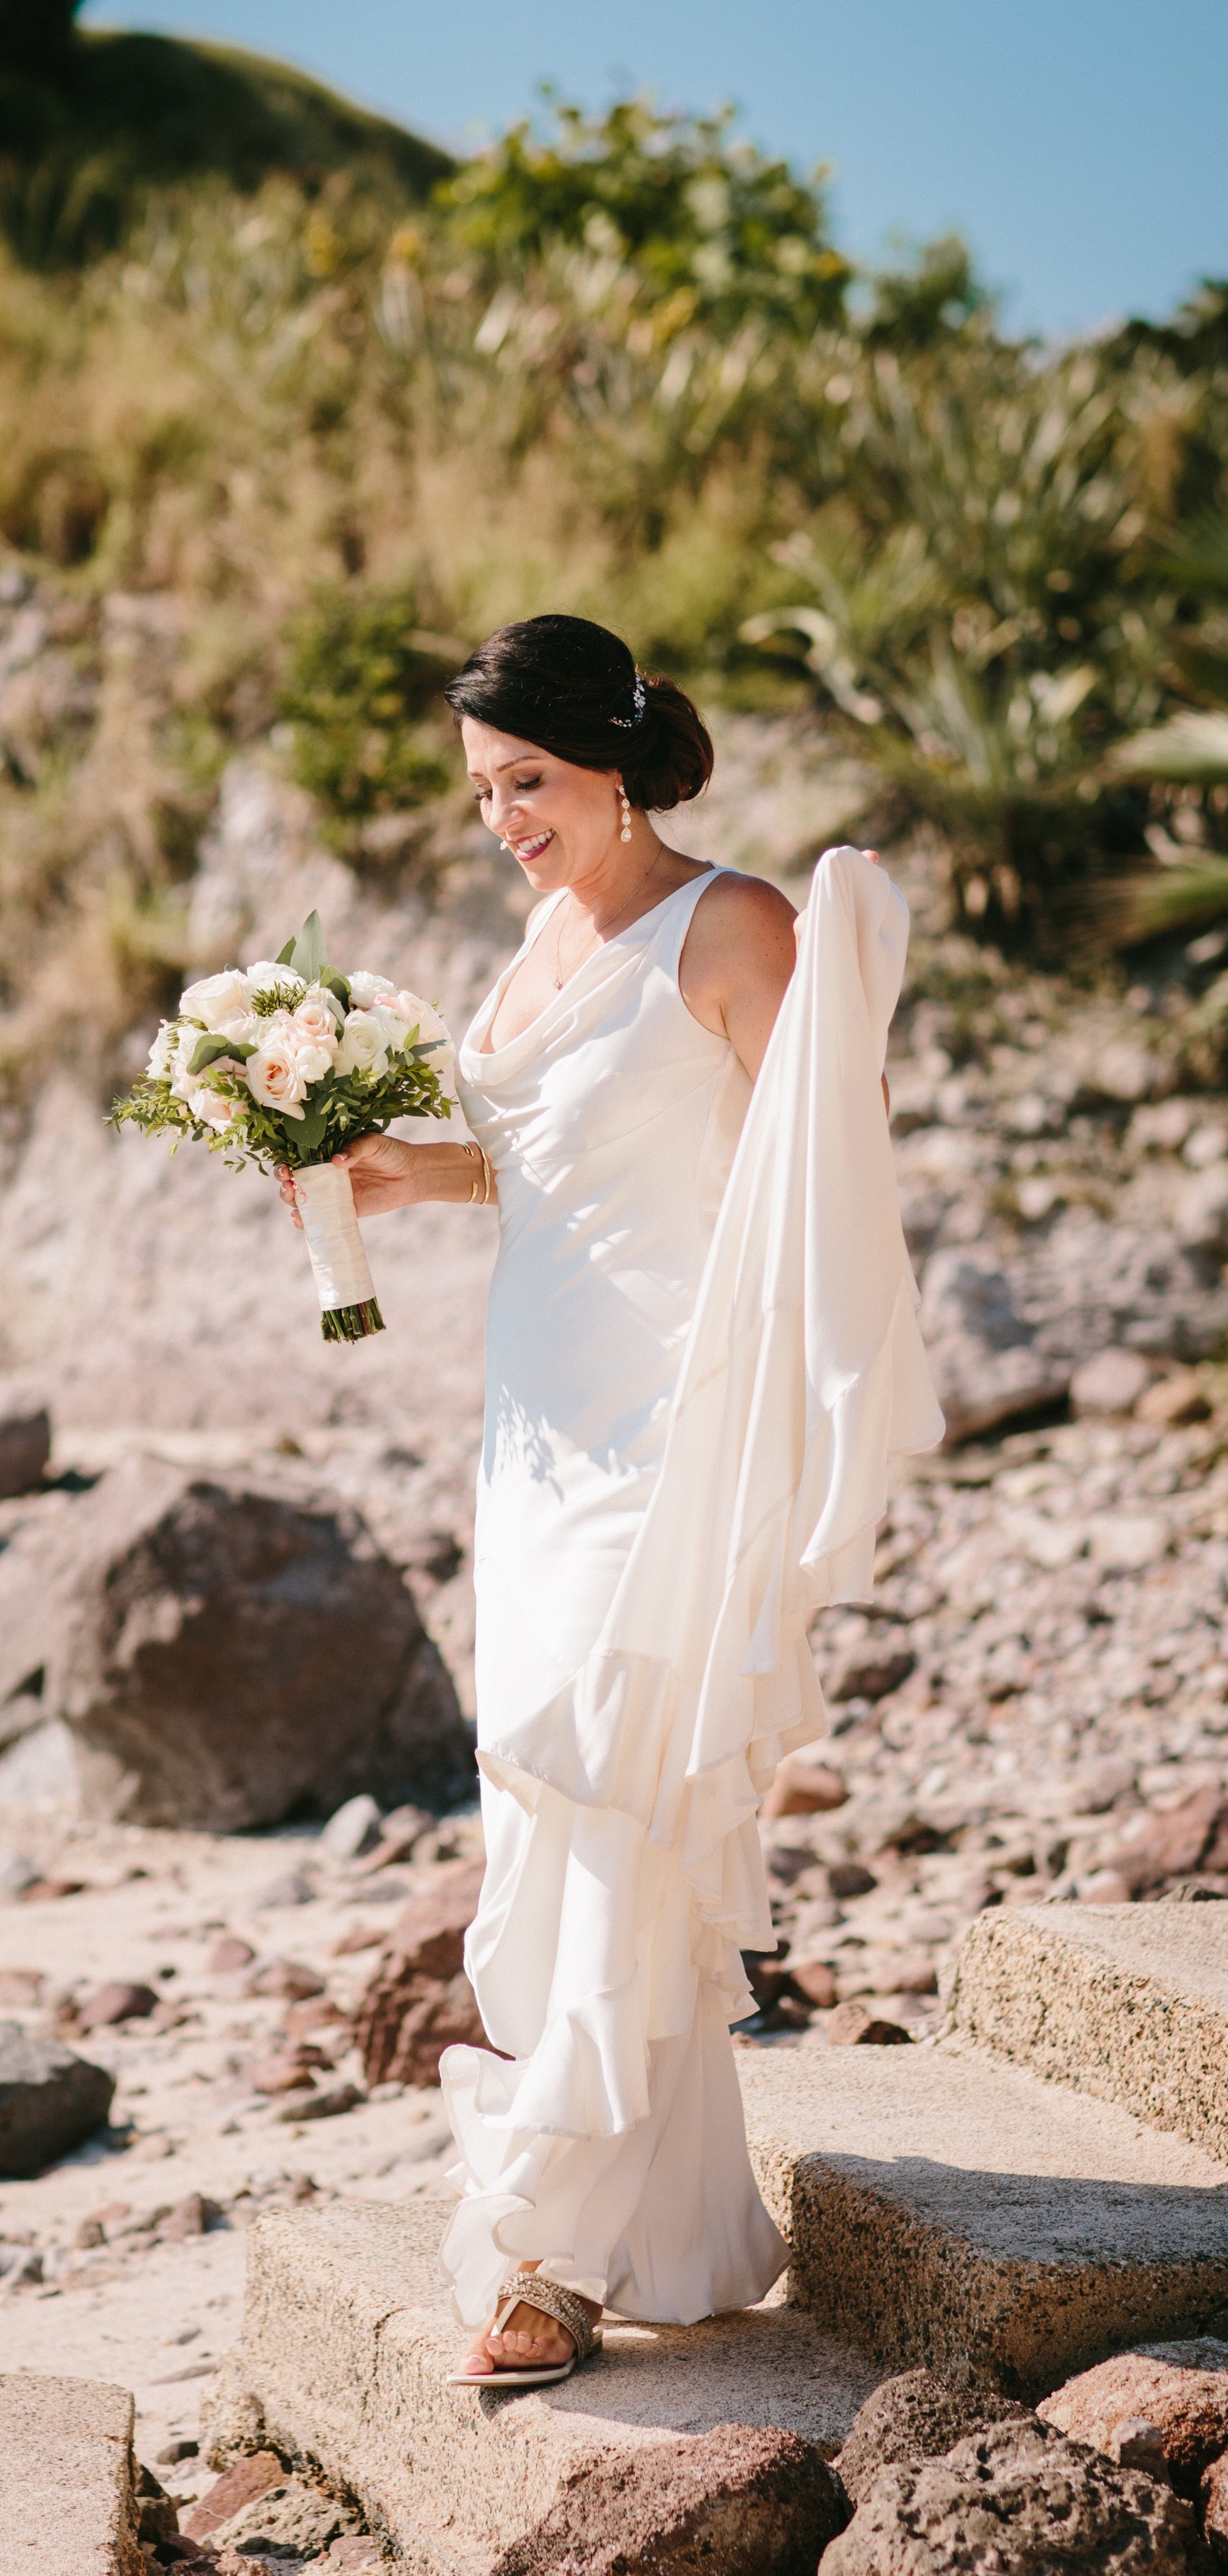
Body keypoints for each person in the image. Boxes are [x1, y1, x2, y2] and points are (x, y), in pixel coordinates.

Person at [280, 612, 940, 2387]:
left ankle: (548, 2256)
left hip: (663, 1426)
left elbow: (821, 1155)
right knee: (556, 1796)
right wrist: (394, 1175)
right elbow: (549, 1155)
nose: (503, 818)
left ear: (613, 757)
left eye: (529, 782)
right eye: (485, 792)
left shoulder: (731, 923)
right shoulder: (540, 928)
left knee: (599, 1775)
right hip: (532, 1424)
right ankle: (671, 2221)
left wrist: (766, 1404)